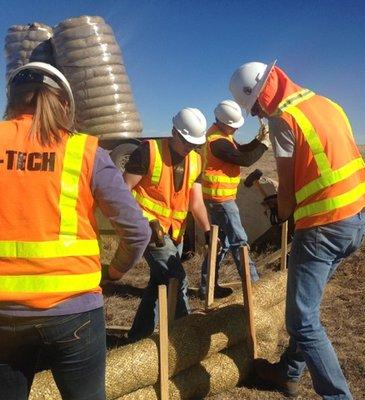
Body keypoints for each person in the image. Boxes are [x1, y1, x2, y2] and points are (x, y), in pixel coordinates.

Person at [229, 61, 365, 399]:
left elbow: (287, 189)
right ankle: (288, 372)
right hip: (354, 219)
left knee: (301, 322)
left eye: (254, 109)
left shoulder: (284, 117)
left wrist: (281, 213)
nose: (257, 116)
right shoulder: (327, 104)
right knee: (306, 310)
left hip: (323, 230)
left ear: (262, 94)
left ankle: (338, 396)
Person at [0, 62, 150, 400]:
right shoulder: (85, 151)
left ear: (12, 99)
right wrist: (114, 271)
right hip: (74, 312)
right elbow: (137, 231)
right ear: (65, 104)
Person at [124, 107, 212, 341]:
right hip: (150, 232)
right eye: (186, 142)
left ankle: (137, 338)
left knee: (158, 285)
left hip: (176, 234)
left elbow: (197, 203)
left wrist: (207, 231)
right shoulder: (148, 151)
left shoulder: (195, 160)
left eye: (194, 144)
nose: (190, 148)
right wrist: (144, 222)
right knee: (177, 279)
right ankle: (187, 338)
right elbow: (122, 193)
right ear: (174, 132)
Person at [199, 99, 270, 299]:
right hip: (221, 201)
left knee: (219, 244)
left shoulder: (221, 135)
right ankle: (255, 288)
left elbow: (242, 150)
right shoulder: (218, 141)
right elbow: (244, 159)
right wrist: (264, 145)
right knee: (240, 242)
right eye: (233, 125)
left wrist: (258, 140)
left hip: (218, 198)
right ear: (222, 121)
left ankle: (208, 287)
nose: (235, 129)